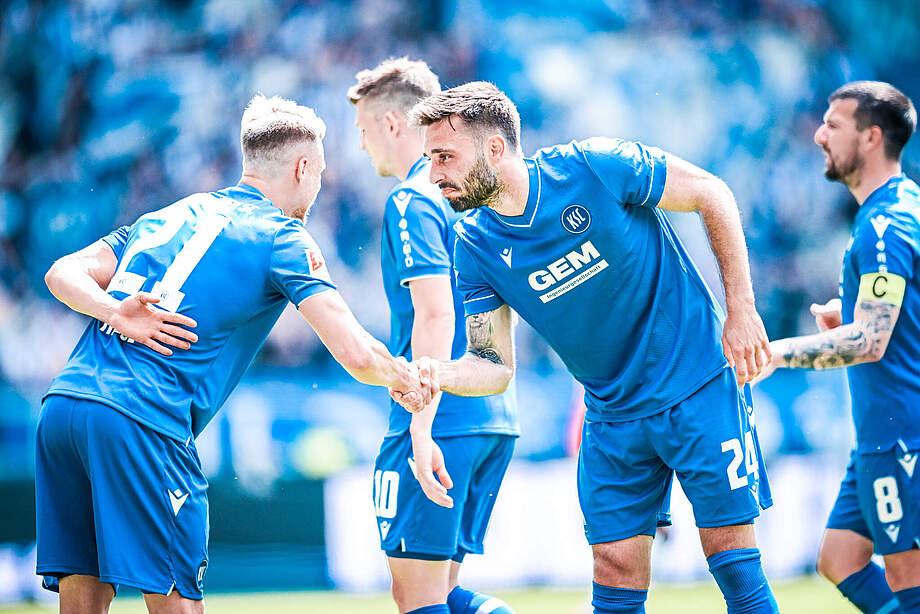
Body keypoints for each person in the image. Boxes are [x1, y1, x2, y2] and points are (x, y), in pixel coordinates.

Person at [36, 94, 433, 614]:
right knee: (177, 603)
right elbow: (356, 354)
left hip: (64, 406)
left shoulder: (167, 215)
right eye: (319, 173)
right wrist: (404, 377)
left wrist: (113, 311)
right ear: (302, 167)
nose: (318, 187)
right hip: (143, 418)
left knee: (81, 600)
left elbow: (60, 272)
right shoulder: (283, 236)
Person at [394, 81, 779, 614]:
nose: (434, 173)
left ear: (496, 148)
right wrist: (433, 372)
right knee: (613, 571)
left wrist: (741, 309)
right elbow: (493, 366)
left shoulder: (594, 165)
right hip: (612, 414)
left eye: (444, 156)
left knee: (731, 559)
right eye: (430, 158)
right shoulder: (473, 244)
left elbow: (710, 193)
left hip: (697, 383)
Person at [349, 59, 519, 614]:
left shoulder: (413, 199)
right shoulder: (470, 194)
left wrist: (421, 427)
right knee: (442, 592)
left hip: (440, 413)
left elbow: (436, 313)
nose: (362, 143)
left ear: (392, 124)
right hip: (492, 411)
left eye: (364, 129)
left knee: (416, 596)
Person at [756, 81, 920, 614]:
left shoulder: (884, 226)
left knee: (907, 576)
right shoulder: (901, 207)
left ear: (871, 137)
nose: (819, 135)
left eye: (833, 125)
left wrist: (775, 353)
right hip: (884, 430)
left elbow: (871, 340)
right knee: (840, 557)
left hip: (902, 433)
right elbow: (890, 319)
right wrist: (848, 316)